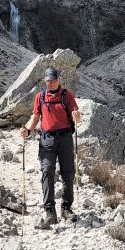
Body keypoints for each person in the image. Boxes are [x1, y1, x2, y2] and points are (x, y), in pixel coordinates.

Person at [18, 67, 82, 229]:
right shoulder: (40, 97)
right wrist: (27, 130)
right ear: (45, 80)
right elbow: (35, 117)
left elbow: (76, 116)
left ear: (58, 79)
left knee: (68, 172)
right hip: (47, 139)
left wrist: (77, 116)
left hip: (66, 138)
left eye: (53, 80)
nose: (51, 83)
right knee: (47, 171)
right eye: (48, 80)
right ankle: (50, 211)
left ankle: (66, 208)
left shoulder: (67, 96)